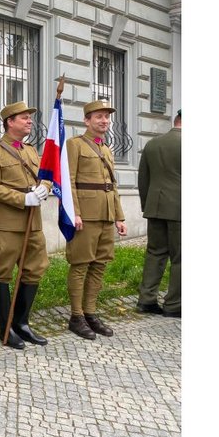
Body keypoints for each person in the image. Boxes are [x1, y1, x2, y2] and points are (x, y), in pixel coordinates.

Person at [0, 101, 52, 350]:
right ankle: (5, 326)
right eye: (24, 118)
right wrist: (23, 198)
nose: (29, 121)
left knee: (34, 269)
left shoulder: (31, 150)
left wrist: (44, 188)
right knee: (3, 270)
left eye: (30, 118)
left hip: (33, 221)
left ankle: (22, 323)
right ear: (10, 122)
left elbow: (45, 175)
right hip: (7, 221)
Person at [65, 100, 127, 340]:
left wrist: (119, 216)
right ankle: (76, 316)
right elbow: (68, 180)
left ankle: (90, 312)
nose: (104, 121)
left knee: (99, 265)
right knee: (80, 264)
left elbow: (112, 186)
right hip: (85, 216)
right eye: (99, 116)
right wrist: (74, 213)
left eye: (107, 117)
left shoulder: (106, 149)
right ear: (87, 120)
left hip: (106, 215)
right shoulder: (75, 145)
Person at [137, 109, 181, 318]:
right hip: (180, 210)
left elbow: (143, 178)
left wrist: (147, 205)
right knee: (181, 259)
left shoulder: (152, 144)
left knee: (155, 253)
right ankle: (174, 305)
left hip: (155, 207)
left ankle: (146, 300)